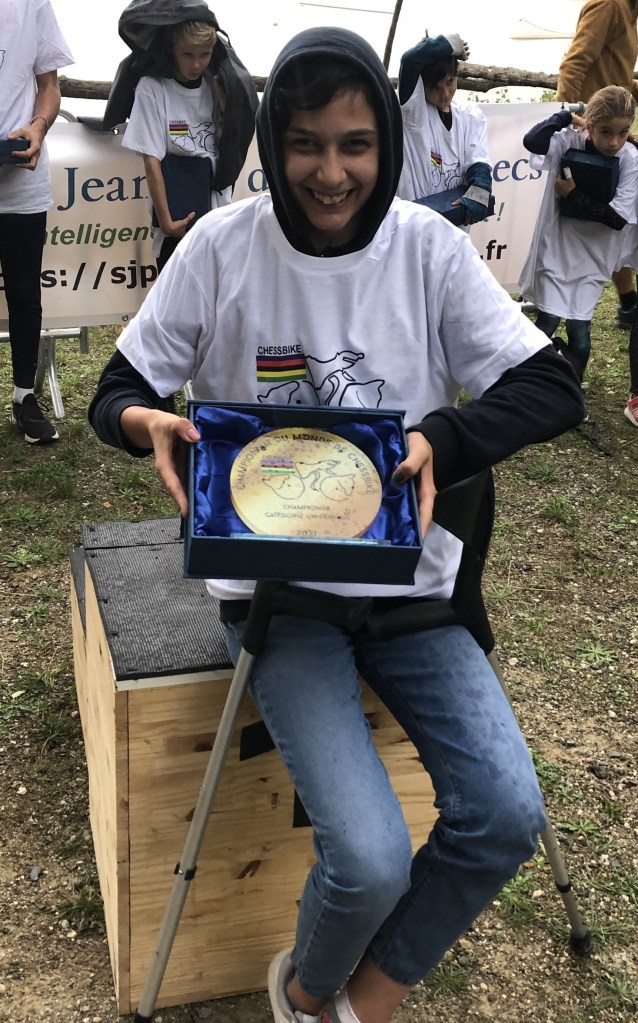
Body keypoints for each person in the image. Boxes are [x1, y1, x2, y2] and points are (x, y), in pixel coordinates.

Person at [89, 27, 584, 1023]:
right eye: (305, 143)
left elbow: (550, 388)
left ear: (384, 144)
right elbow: (117, 389)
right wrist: (146, 423)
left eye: (354, 144)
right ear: (273, 142)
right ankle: (307, 992)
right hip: (281, 596)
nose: (329, 172)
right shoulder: (220, 247)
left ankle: (355, 1004)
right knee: (365, 858)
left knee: (503, 813)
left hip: (409, 590)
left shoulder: (426, 248)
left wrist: (442, 437)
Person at [108, 0, 258, 272]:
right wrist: (166, 222)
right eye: (187, 54)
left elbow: (231, 143)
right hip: (177, 211)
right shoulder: (152, 88)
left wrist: (226, 103)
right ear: (172, 49)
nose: (197, 64)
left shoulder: (221, 83)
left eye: (205, 54)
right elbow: (151, 160)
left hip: (216, 210)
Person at [519, 86, 638, 382]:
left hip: (595, 255)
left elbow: (617, 219)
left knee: (579, 330)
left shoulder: (629, 158)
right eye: (606, 132)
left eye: (622, 133)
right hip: (557, 246)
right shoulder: (569, 140)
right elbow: (532, 141)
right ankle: (525, 384)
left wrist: (573, 195)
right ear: (590, 126)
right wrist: (565, 116)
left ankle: (571, 391)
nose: (614, 142)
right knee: (546, 322)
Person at [0, 0, 73, 444]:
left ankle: (24, 397)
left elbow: (49, 85)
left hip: (21, 186)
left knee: (25, 294)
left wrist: (39, 127)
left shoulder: (31, 3)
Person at [556, 0, 638, 330]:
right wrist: (566, 121)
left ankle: (628, 302)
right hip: (592, 137)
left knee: (616, 220)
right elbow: (574, 63)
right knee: (595, 222)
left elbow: (618, 74)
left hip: (612, 132)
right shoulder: (609, 4)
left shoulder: (630, 10)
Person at [396, 32, 492, 229]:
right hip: (416, 230)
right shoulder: (414, 115)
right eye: (435, 87)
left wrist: (480, 190)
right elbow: (409, 61)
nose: (445, 93)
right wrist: (449, 44)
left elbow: (478, 161)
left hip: (456, 230)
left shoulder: (470, 115)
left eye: (450, 81)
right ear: (421, 86)